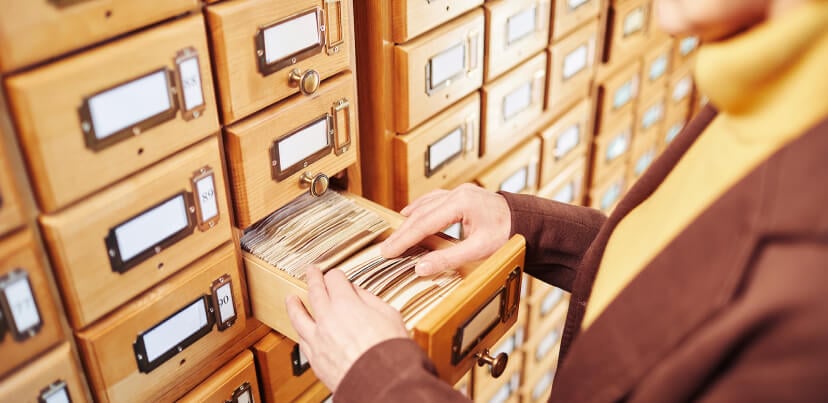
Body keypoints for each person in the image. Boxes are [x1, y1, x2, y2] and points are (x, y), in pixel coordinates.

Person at [286, 0, 828, 401]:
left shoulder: (810, 320)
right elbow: (688, 267)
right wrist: (524, 224)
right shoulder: (781, 88)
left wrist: (382, 381)